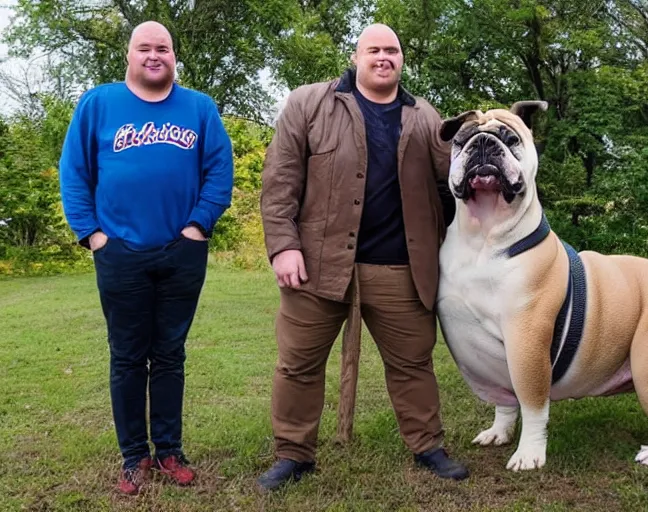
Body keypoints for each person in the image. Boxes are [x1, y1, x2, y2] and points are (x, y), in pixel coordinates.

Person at [257, 23, 466, 491]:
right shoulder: (309, 103)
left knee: (414, 363)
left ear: (402, 59)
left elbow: (452, 182)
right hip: (317, 265)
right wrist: (284, 246)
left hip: (401, 268)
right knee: (298, 364)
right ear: (356, 56)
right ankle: (293, 454)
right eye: (374, 49)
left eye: (392, 49)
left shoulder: (426, 117)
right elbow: (280, 181)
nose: (383, 57)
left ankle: (428, 445)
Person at [58, 20, 234, 495]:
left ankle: (170, 450)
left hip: (182, 252)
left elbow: (220, 170)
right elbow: (73, 173)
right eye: (144, 48)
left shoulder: (199, 108)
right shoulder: (99, 104)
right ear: (129, 56)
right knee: (128, 356)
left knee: (170, 354)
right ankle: (134, 456)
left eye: (163, 48)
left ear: (174, 56)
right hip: (119, 254)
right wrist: (93, 235)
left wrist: (197, 227)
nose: (154, 56)